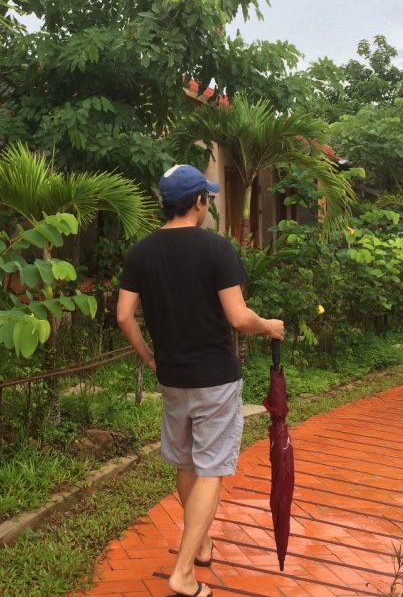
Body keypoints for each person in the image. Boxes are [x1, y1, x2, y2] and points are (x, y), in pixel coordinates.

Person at [116, 164, 285, 597]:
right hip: (215, 379)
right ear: (198, 202)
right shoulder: (216, 249)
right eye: (207, 198)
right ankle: (184, 572)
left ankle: (203, 541)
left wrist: (149, 357)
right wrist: (268, 326)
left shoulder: (140, 252)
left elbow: (123, 316)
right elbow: (238, 316)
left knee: (187, 462)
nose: (207, 204)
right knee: (211, 469)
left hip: (172, 378)